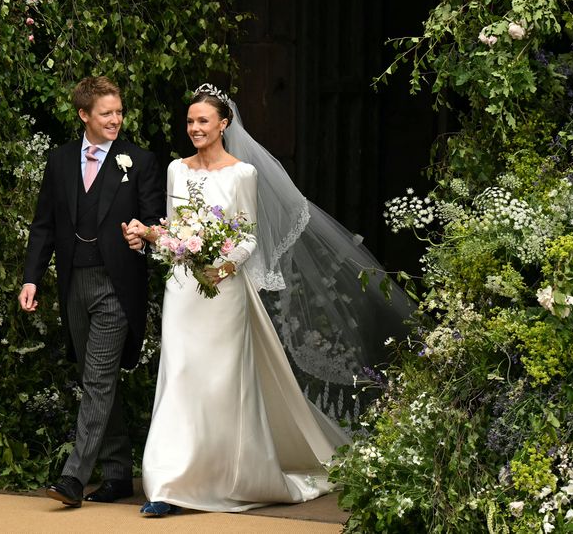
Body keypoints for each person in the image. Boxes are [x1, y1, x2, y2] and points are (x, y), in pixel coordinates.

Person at [124, 84, 410, 516]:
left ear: (223, 124)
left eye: (203, 120)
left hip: (225, 290)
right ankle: (168, 483)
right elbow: (174, 229)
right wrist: (152, 237)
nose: (195, 128)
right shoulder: (175, 170)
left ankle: (227, 475)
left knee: (221, 383)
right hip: (183, 288)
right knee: (179, 375)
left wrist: (222, 267)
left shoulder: (243, 173)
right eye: (190, 121)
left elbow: (248, 236)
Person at [20, 76, 164, 508]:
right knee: (97, 379)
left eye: (119, 112)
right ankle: (118, 473)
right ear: (84, 115)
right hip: (73, 284)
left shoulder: (138, 161)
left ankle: (73, 477)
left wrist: (143, 235)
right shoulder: (60, 161)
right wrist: (31, 277)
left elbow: (156, 220)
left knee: (98, 378)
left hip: (116, 286)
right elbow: (44, 224)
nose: (116, 120)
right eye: (106, 113)